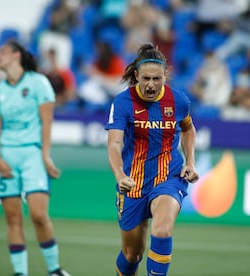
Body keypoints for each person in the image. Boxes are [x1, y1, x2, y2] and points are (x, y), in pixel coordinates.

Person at [105, 43, 199, 276]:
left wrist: (190, 162)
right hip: (133, 182)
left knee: (163, 230)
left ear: (165, 75)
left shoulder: (179, 101)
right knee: (132, 254)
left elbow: (188, 129)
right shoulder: (123, 102)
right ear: (136, 75)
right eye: (145, 78)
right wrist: (120, 175)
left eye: (157, 79)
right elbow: (114, 144)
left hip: (169, 177)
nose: (150, 85)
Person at [0, 40, 70, 276]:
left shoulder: (38, 82)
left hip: (32, 153)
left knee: (38, 214)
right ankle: (20, 273)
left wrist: (45, 156)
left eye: (2, 52)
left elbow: (47, 122)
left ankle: (54, 269)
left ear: (16, 55)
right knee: (13, 218)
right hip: (6, 155)